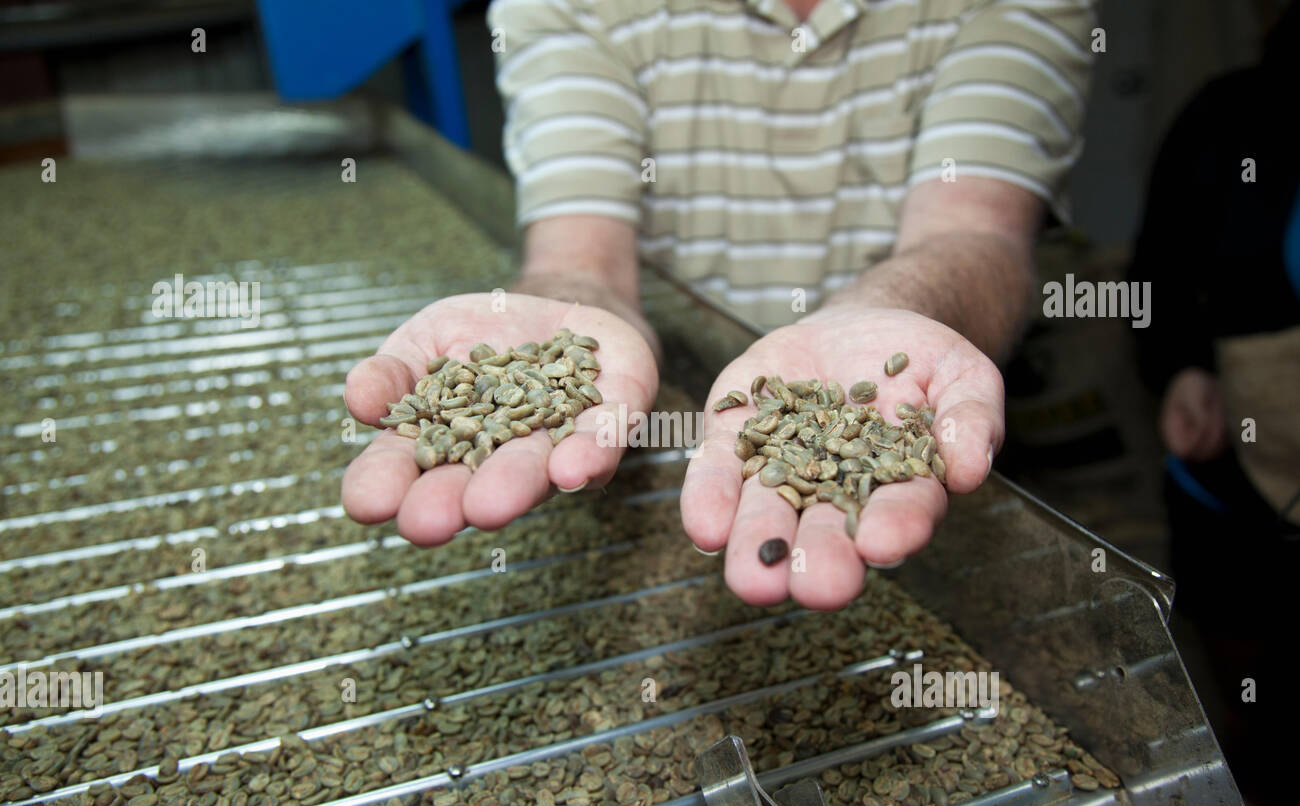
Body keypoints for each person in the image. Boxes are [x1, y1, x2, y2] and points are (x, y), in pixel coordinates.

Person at [342, 0, 1097, 611]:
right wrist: (560, 327)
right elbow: (581, 259)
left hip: (931, 426)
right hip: (673, 441)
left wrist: (888, 312)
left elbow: (976, 232)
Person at [1128, 0, 1300, 806]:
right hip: (1236, 475)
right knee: (1254, 657)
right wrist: (1183, 368)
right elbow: (1155, 274)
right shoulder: (1227, 115)